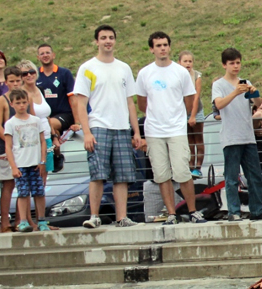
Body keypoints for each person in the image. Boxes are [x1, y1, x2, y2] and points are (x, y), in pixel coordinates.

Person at [72, 25, 143, 228]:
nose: (107, 41)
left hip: (121, 128)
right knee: (98, 174)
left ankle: (122, 217)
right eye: (103, 38)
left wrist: (135, 131)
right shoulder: (87, 68)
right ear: (97, 41)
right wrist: (86, 132)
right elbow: (81, 103)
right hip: (99, 127)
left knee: (122, 176)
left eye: (111, 37)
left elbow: (131, 101)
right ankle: (94, 216)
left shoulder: (124, 68)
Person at [135, 32, 206, 224]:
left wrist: (176, 117)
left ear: (170, 47)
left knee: (182, 171)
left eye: (165, 44)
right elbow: (142, 104)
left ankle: (193, 211)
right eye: (158, 45)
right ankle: (171, 213)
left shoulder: (180, 72)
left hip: (176, 130)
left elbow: (189, 100)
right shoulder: (144, 73)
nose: (162, 48)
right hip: (154, 131)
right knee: (161, 174)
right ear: (152, 49)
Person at [212, 47, 262, 221]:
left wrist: (254, 94)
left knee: (254, 176)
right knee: (231, 177)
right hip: (231, 137)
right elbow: (219, 105)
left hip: (248, 136)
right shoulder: (218, 85)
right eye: (232, 63)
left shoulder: (245, 81)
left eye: (238, 63)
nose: (236, 66)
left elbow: (258, 104)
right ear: (224, 65)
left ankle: (257, 210)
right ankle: (233, 211)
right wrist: (235, 92)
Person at [3, 89, 48, 232]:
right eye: (18, 103)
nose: (22, 105)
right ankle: (23, 221)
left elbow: (42, 142)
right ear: (12, 104)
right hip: (21, 164)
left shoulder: (36, 121)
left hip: (35, 164)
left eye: (24, 102)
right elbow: (8, 146)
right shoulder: (10, 123)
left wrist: (42, 161)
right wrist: (13, 167)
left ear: (28, 102)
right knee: (23, 193)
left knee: (39, 192)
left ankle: (41, 220)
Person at [0, 69, 25, 232]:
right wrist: (10, 140)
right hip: (7, 147)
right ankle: (5, 222)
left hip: (24, 148)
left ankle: (21, 220)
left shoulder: (24, 99)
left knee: (23, 184)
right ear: (6, 82)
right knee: (8, 185)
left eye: (17, 81)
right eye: (12, 81)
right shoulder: (1, 100)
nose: (15, 84)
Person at [18, 60, 53, 177]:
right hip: (35, 140)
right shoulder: (22, 94)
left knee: (44, 177)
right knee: (36, 177)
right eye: (24, 73)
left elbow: (47, 116)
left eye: (31, 71)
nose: (29, 75)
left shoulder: (41, 89)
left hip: (48, 137)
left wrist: (55, 135)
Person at [35, 44, 77, 143]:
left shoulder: (64, 73)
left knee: (47, 125)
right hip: (43, 116)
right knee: (52, 130)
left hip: (64, 114)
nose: (45, 55)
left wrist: (78, 122)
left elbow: (74, 99)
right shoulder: (35, 74)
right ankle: (56, 154)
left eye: (47, 53)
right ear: (38, 57)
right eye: (42, 53)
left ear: (53, 55)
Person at [178, 51, 205, 178]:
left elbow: (196, 96)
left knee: (198, 139)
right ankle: (190, 165)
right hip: (182, 111)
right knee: (188, 140)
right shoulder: (177, 75)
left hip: (196, 110)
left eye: (190, 61)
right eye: (185, 61)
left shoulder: (197, 76)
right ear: (179, 63)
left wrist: (193, 115)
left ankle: (198, 167)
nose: (188, 64)